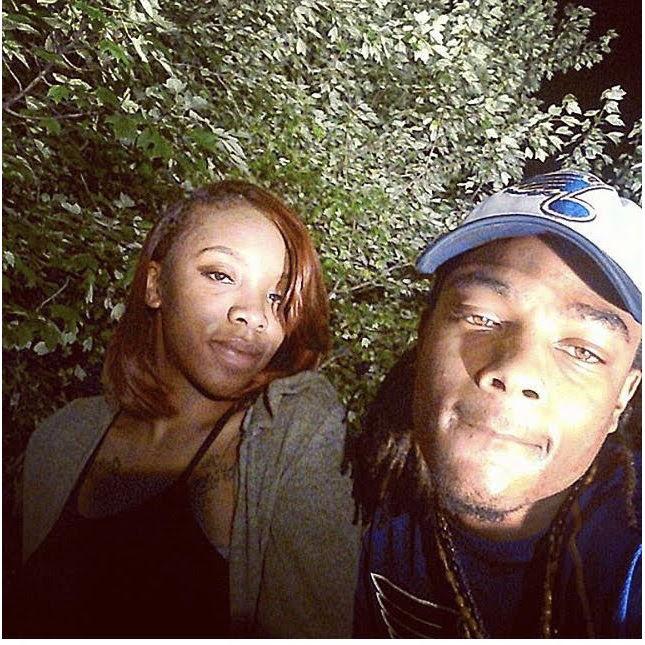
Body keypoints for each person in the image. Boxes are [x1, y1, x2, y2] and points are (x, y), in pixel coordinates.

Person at [14, 180, 361, 637]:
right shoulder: (62, 437)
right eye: (220, 275)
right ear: (155, 285)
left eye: (276, 297)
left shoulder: (292, 432)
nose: (254, 314)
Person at [351, 169, 642, 638]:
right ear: (425, 333)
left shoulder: (631, 552)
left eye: (583, 351)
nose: (517, 371)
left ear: (622, 397)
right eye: (482, 317)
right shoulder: (342, 487)